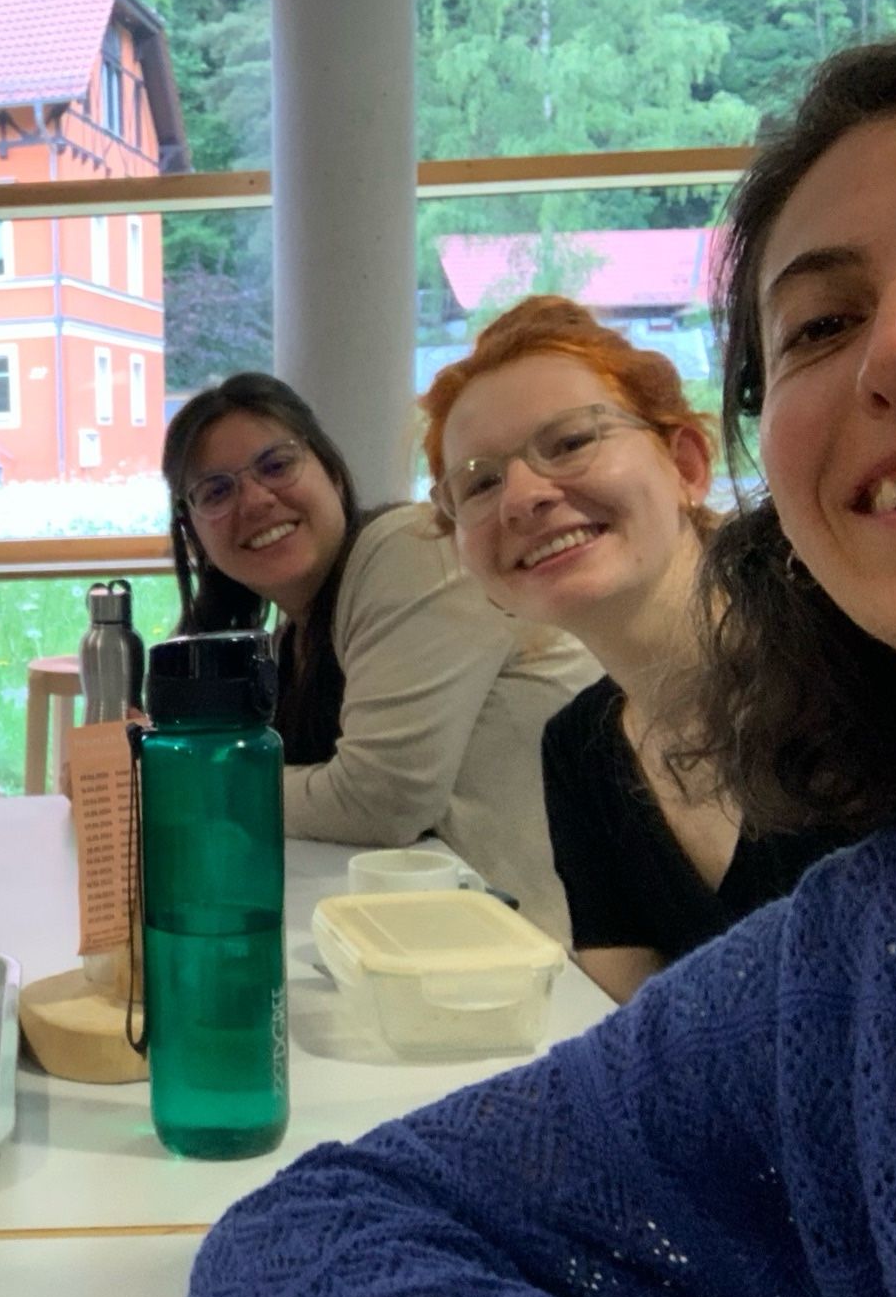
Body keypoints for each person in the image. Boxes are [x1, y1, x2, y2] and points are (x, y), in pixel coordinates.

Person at [188, 30, 896, 1297]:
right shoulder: (863, 954)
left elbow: (377, 798)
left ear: (693, 460)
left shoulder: (889, 840)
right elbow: (623, 1047)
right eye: (819, 326)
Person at [420, 298, 856, 1000]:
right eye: (480, 482)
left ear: (685, 464)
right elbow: (637, 1043)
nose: (522, 498)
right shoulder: (579, 749)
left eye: (567, 443)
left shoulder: (855, 660)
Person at [164, 372, 600, 940]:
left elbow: (379, 801)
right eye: (216, 491)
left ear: (331, 471)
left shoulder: (409, 549)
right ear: (194, 532)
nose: (254, 500)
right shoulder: (292, 638)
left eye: (276, 465)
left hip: (559, 963)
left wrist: (182, 781)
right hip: (447, 941)